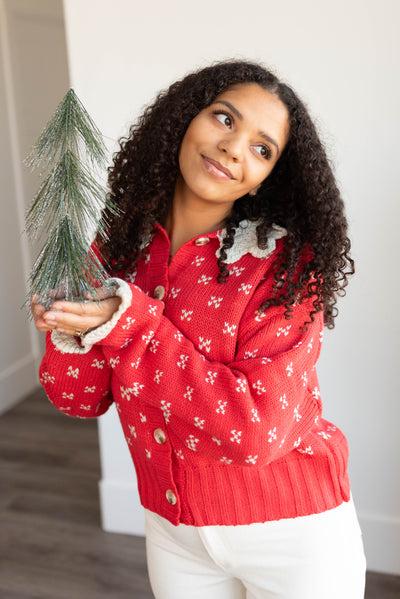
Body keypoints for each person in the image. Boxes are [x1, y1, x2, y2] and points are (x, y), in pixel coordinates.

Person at [31, 60, 366, 598]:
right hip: (174, 531)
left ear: (266, 179)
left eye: (262, 149)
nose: (235, 149)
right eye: (224, 119)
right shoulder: (119, 242)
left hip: (294, 533)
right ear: (185, 120)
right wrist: (68, 329)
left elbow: (256, 430)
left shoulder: (286, 267)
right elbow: (77, 398)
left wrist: (127, 322)